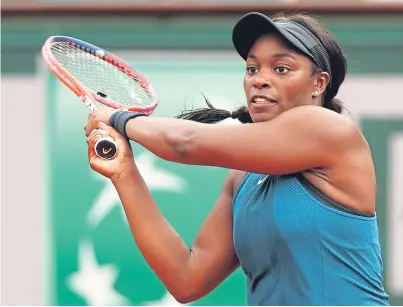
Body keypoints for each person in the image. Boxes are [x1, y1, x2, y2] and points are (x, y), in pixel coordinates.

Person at [84, 12, 390, 306]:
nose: (259, 80)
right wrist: (124, 172)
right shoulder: (243, 178)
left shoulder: (330, 131)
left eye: (281, 69)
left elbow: (185, 143)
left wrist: (118, 119)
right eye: (252, 69)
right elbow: (187, 278)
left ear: (319, 83)